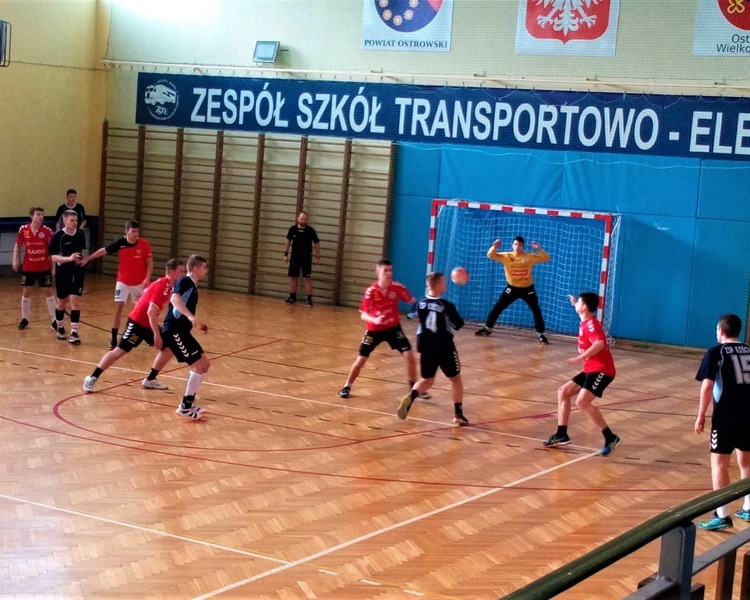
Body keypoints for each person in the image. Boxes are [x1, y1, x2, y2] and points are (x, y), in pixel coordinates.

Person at [82, 259, 186, 393]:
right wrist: (156, 334)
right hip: (137, 324)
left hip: (148, 324)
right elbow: (150, 311)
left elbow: (146, 295)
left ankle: (150, 379)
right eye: (181, 271)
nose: (183, 274)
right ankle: (91, 377)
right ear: (171, 272)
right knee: (119, 352)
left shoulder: (168, 286)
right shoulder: (163, 286)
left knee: (170, 347)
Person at [543, 292, 620, 455]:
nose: (576, 304)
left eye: (579, 302)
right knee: (563, 392)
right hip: (590, 368)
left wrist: (580, 357)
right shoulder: (585, 321)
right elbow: (584, 315)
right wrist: (575, 304)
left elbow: (599, 343)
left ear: (584, 307)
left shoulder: (591, 325)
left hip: (602, 370)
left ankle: (610, 437)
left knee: (582, 402)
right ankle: (561, 434)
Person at [693, 313, 750, 531]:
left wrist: (701, 415)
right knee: (746, 463)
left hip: (726, 418)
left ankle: (722, 514)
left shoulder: (716, 352)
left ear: (721, 331)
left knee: (719, 465)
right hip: (748, 416)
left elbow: (707, 386)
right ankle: (748, 507)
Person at [338, 259, 420, 399]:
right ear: (377, 272)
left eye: (390, 270)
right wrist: (374, 320)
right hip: (374, 330)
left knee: (410, 356)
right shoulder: (371, 291)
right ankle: (347, 386)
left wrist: (427, 304)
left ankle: (414, 389)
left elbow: (413, 302)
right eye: (385, 271)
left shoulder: (398, 287)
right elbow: (363, 315)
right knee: (361, 360)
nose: (389, 273)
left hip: (393, 328)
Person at [397, 272, 468, 426]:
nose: (446, 284)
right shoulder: (447, 306)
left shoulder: (419, 303)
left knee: (427, 379)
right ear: (437, 285)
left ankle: (411, 396)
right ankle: (458, 415)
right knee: (455, 379)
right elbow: (458, 325)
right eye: (443, 282)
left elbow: (410, 315)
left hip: (425, 346)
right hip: (444, 346)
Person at [82, 220, 153, 349]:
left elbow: (150, 262)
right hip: (123, 281)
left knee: (143, 310)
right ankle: (114, 338)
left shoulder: (144, 244)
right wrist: (88, 258)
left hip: (139, 283)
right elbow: (103, 251)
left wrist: (147, 279)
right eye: (133, 231)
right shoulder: (120, 243)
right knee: (119, 307)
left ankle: (147, 335)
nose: (135, 234)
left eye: (137, 231)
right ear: (126, 232)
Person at [159, 254, 211, 420]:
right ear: (195, 268)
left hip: (182, 331)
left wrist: (196, 322)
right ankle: (185, 407)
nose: (206, 271)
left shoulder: (192, 285)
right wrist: (189, 316)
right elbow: (175, 298)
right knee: (197, 366)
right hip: (174, 331)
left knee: (205, 364)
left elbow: (182, 304)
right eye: (204, 267)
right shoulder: (185, 281)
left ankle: (190, 401)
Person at [475, 236, 551, 344]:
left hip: (527, 289)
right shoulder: (506, 256)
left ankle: (541, 334)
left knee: (536, 310)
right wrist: (494, 247)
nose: (517, 246)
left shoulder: (529, 257)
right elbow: (490, 255)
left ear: (523, 246)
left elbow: (546, 258)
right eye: (515, 244)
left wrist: (538, 249)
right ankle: (487, 329)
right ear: (512, 245)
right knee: (498, 307)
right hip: (512, 289)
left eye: (520, 245)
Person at [12, 207, 57, 331]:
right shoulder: (23, 229)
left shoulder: (47, 231)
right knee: (26, 292)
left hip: (44, 267)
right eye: (38, 214)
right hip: (29, 266)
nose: (41, 217)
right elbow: (17, 245)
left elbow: (52, 251)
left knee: (48, 291)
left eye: (42, 215)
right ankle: (24, 319)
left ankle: (54, 320)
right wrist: (14, 259)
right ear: (32, 216)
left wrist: (54, 268)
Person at [49, 210, 88, 344]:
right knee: (61, 302)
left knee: (75, 302)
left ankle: (74, 333)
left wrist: (84, 260)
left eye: (76, 220)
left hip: (77, 271)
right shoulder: (58, 236)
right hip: (63, 272)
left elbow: (83, 251)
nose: (74, 223)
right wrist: (69, 258)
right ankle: (60, 327)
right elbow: (54, 257)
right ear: (64, 221)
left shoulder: (80, 234)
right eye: (72, 220)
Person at [283, 210, 320, 307]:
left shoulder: (310, 231)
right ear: (298, 219)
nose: (303, 221)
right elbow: (288, 242)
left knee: (307, 278)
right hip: (295, 257)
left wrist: (317, 256)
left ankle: (309, 299)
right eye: (302, 219)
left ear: (307, 220)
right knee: (293, 277)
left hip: (306, 258)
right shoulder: (292, 229)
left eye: (305, 219)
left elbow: (316, 243)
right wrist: (285, 254)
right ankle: (292, 297)